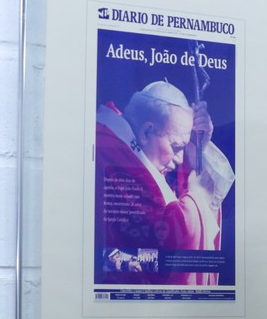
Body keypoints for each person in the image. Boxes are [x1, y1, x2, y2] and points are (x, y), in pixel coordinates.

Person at [94, 81, 228, 285]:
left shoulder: (143, 152)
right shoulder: (111, 152)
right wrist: (200, 192)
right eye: (176, 147)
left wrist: (197, 148)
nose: (181, 159)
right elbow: (163, 247)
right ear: (146, 132)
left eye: (184, 147)